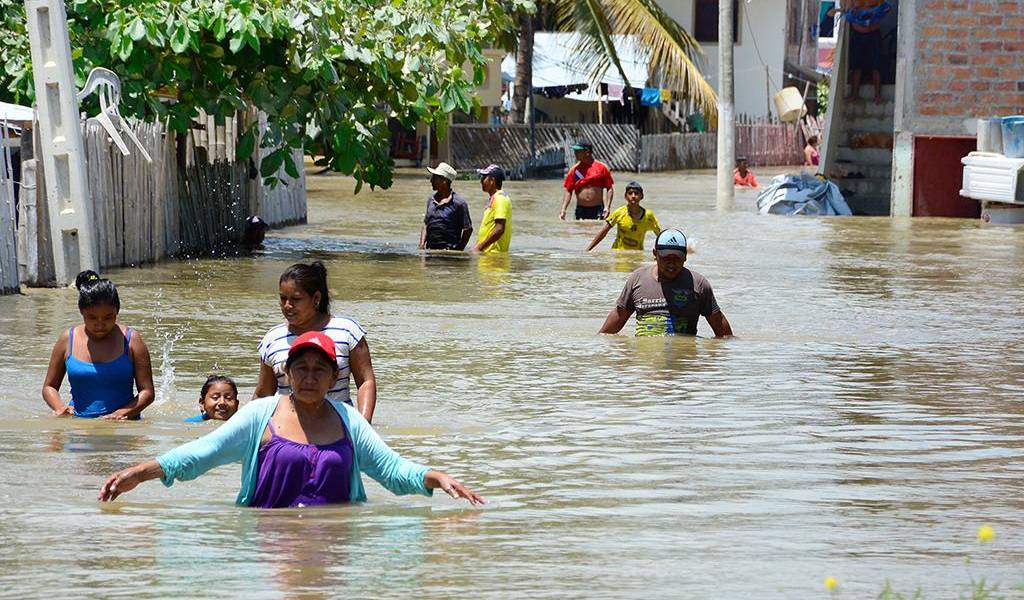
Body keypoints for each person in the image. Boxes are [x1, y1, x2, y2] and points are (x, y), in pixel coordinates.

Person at [98, 331, 485, 509]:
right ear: (287, 373)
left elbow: (392, 470)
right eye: (302, 368)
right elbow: (200, 453)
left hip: (337, 544)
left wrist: (435, 477)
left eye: (320, 369)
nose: (310, 377)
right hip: (268, 543)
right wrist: (140, 473)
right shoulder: (259, 416)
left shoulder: (349, 422)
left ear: (334, 378)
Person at [254, 261, 377, 423]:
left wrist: (363, 425)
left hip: (338, 428)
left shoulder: (347, 331)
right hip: (287, 429)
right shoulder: (272, 338)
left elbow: (365, 382)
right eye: (283, 298)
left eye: (295, 299)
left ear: (316, 298)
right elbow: (263, 394)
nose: (287, 305)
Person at [41, 270, 155, 419]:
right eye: (92, 318)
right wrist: (60, 408)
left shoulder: (132, 340)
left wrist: (121, 413)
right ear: (81, 311)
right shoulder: (67, 340)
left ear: (117, 311)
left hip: (123, 426)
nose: (100, 324)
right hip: (79, 427)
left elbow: (147, 392)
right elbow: (49, 387)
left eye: (108, 317)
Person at [599, 229, 733, 337]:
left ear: (685, 256)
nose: (671, 264)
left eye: (677, 258)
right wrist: (599, 342)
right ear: (655, 254)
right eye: (666, 257)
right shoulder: (637, 279)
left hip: (683, 359)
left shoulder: (698, 284)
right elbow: (619, 316)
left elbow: (722, 332)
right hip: (645, 360)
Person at [830, 0, 887, 104]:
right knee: (856, 65)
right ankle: (854, 94)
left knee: (877, 65)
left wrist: (873, 14)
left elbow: (885, 9)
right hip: (858, 34)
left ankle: (877, 95)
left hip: (873, 33)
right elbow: (847, 11)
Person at [585, 181, 661, 251]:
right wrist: (588, 250)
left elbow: (660, 236)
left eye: (636, 193)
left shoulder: (648, 216)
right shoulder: (619, 213)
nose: (633, 196)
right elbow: (603, 233)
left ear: (642, 196)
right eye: (630, 193)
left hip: (637, 255)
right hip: (618, 254)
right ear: (625, 196)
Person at [418, 162, 473, 251]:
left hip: (449, 252)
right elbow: (426, 224)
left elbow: (468, 229)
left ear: (444, 181)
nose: (431, 181)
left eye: (434, 178)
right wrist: (421, 245)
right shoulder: (431, 200)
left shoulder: (459, 203)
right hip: (430, 252)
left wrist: (459, 249)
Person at [559, 140, 614, 220]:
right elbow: (568, 191)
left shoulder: (602, 168)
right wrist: (563, 209)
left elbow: (609, 188)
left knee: (597, 227)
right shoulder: (574, 170)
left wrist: (607, 207)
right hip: (581, 210)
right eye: (575, 151)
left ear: (587, 152)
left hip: (597, 209)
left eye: (578, 151)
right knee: (580, 228)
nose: (575, 153)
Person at [474, 164, 512, 253]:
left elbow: (499, 229)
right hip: (488, 254)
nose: (481, 181)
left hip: (493, 255)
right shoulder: (495, 198)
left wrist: (479, 248)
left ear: (492, 181)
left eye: (484, 178)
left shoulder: (500, 199)